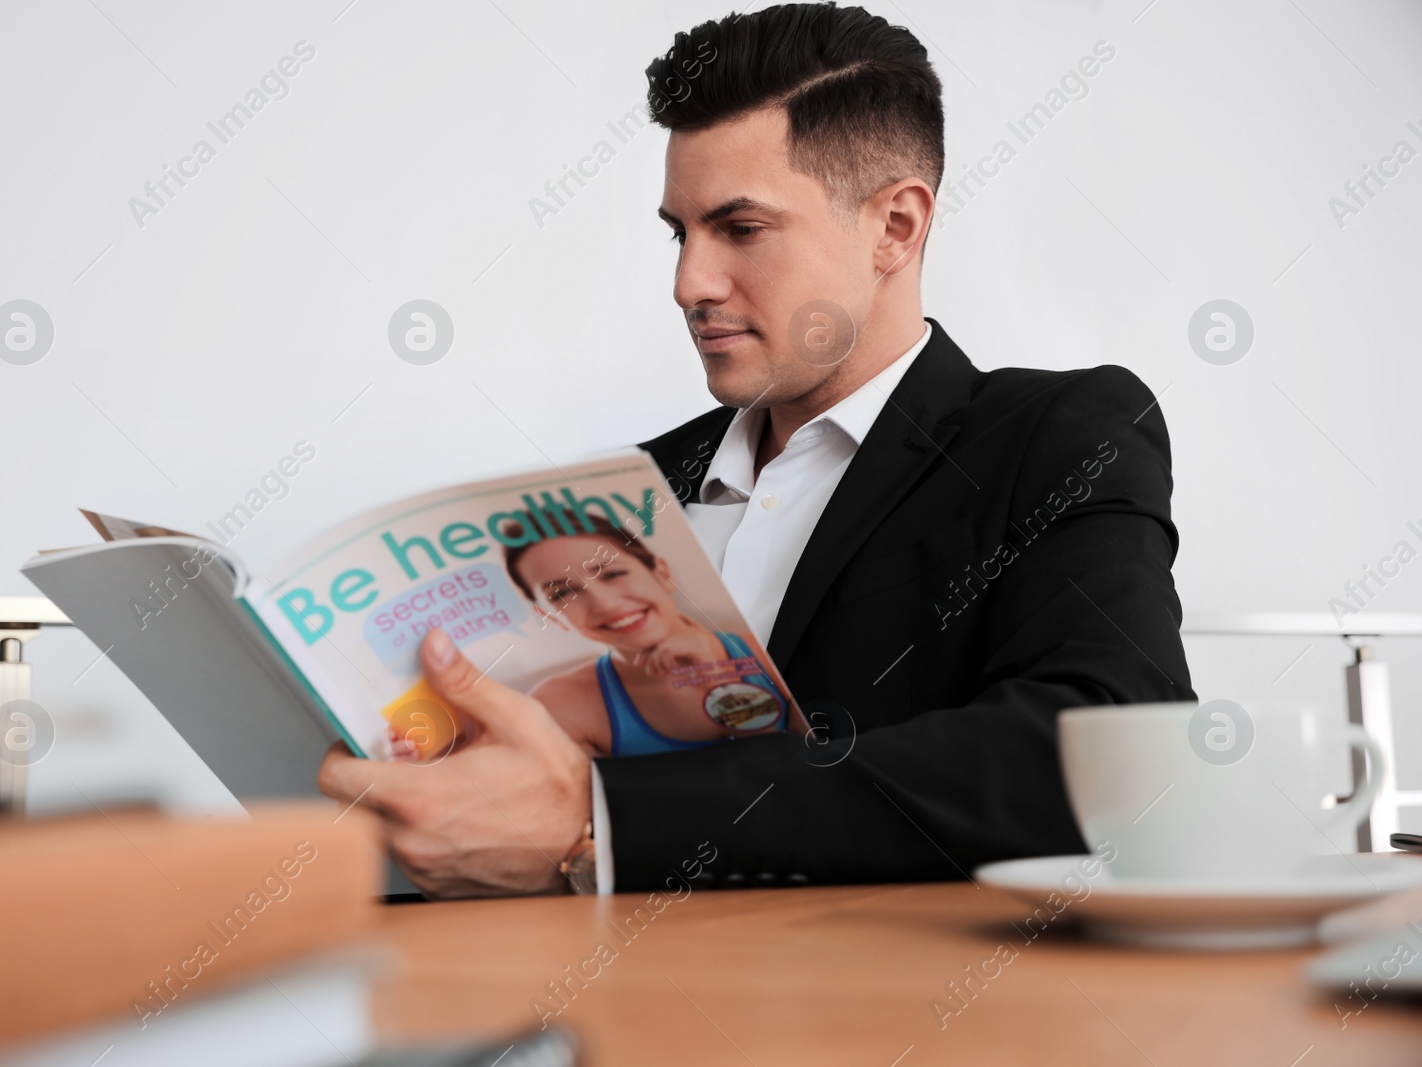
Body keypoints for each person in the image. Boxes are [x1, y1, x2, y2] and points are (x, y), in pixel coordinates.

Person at [320, 2, 1193, 897]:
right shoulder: (630, 495)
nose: (688, 282)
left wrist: (599, 820)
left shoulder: (1058, 432)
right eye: (679, 231)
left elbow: (1113, 750)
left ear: (895, 226)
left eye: (741, 229)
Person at [500, 509, 792, 757]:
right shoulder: (559, 704)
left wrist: (722, 679)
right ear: (551, 617)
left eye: (613, 574)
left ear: (661, 573)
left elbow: (816, 777)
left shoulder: (771, 651)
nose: (605, 603)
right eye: (563, 593)